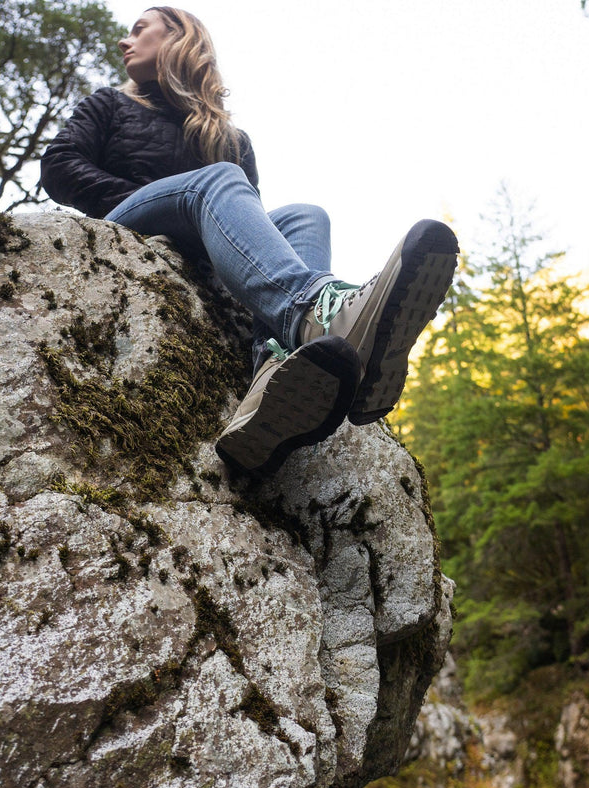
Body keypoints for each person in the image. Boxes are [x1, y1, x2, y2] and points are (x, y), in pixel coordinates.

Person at [40, 7, 458, 475]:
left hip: (202, 233)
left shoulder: (230, 138)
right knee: (217, 180)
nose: (124, 41)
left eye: (140, 29)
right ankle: (319, 313)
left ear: (179, 38)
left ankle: (271, 377)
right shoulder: (110, 104)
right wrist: (175, 205)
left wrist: (205, 219)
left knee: (305, 216)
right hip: (129, 224)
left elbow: (250, 224)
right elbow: (59, 166)